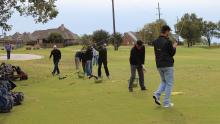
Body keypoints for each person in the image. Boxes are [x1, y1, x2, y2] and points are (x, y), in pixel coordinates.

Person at [152, 25, 178, 108]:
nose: (169, 33)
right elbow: (172, 53)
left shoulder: (155, 41)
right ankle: (166, 103)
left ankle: (157, 94)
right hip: (167, 65)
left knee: (164, 81)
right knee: (169, 83)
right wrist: (174, 47)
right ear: (166, 31)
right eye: (169, 32)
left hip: (159, 65)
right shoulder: (168, 41)